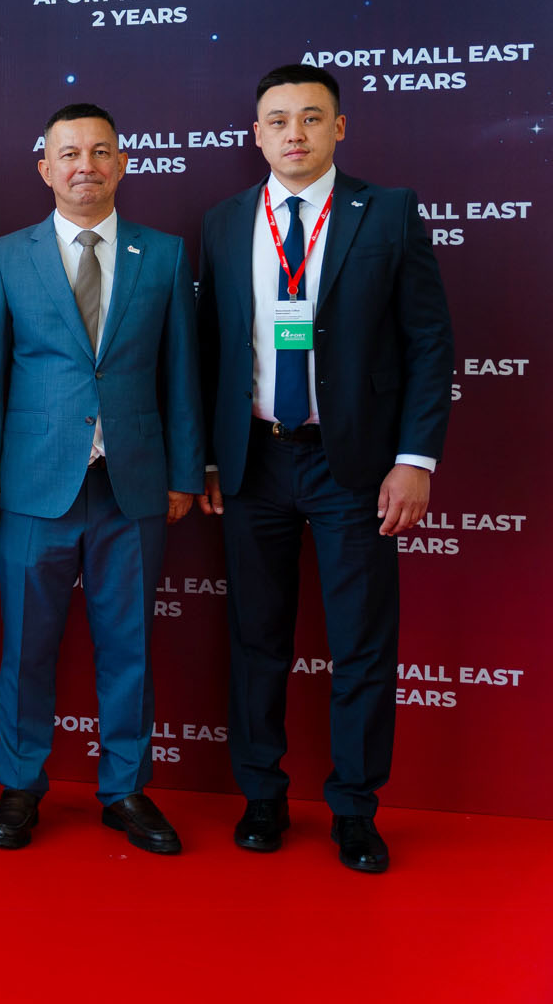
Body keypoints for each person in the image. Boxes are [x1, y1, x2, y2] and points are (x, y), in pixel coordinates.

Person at [198, 63, 452, 874]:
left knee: (362, 644)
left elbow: (429, 343)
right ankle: (262, 796)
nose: (295, 133)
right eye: (278, 120)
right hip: (255, 462)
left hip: (357, 467)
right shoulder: (224, 220)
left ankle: (355, 808)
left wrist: (414, 459)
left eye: (312, 117)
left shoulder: (389, 212)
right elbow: (210, 349)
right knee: (256, 639)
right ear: (257, 134)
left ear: (339, 128)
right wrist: (211, 456)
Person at [0, 103, 203, 855]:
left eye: (101, 152)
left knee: (130, 644)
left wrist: (184, 471)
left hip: (133, 483)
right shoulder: (5, 256)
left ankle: (126, 788)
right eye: (69, 153)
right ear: (45, 168)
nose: (85, 166)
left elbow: (182, 373)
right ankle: (20, 784)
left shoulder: (163, 254)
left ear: (123, 163)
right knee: (26, 645)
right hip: (34, 483)